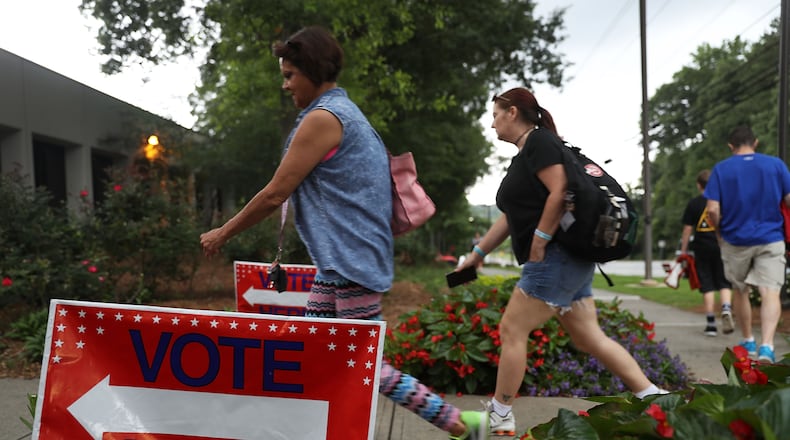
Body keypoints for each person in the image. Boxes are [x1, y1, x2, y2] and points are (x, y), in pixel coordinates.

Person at [199, 26, 487, 440]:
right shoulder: (344, 114)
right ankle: (312, 428)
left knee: (362, 363)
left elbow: (275, 192)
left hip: (350, 263)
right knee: (317, 347)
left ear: (313, 71)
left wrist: (222, 233)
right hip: (341, 262)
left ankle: (461, 423)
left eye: (290, 74)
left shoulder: (323, 118)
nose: (285, 84)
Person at [455, 87, 667, 437]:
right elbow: (511, 216)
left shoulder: (540, 143)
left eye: (494, 115)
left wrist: (539, 241)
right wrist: (478, 256)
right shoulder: (526, 154)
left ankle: (500, 414)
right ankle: (653, 398)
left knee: (512, 329)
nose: (492, 124)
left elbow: (560, 189)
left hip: (555, 258)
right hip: (570, 260)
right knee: (589, 338)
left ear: (512, 112)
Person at [704, 125, 790, 363]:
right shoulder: (776, 165)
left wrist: (720, 231)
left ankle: (749, 340)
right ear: (756, 142)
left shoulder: (722, 169)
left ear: (731, 146)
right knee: (770, 290)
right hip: (771, 237)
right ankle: (768, 346)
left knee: (741, 290)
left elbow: (712, 209)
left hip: (735, 240)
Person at [679, 169, 734, 336]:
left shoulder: (694, 203)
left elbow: (687, 230)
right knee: (725, 281)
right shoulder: (722, 202)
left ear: (698, 185)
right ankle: (726, 308)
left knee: (707, 283)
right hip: (721, 245)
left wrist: (683, 250)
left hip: (701, 247)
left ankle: (711, 324)